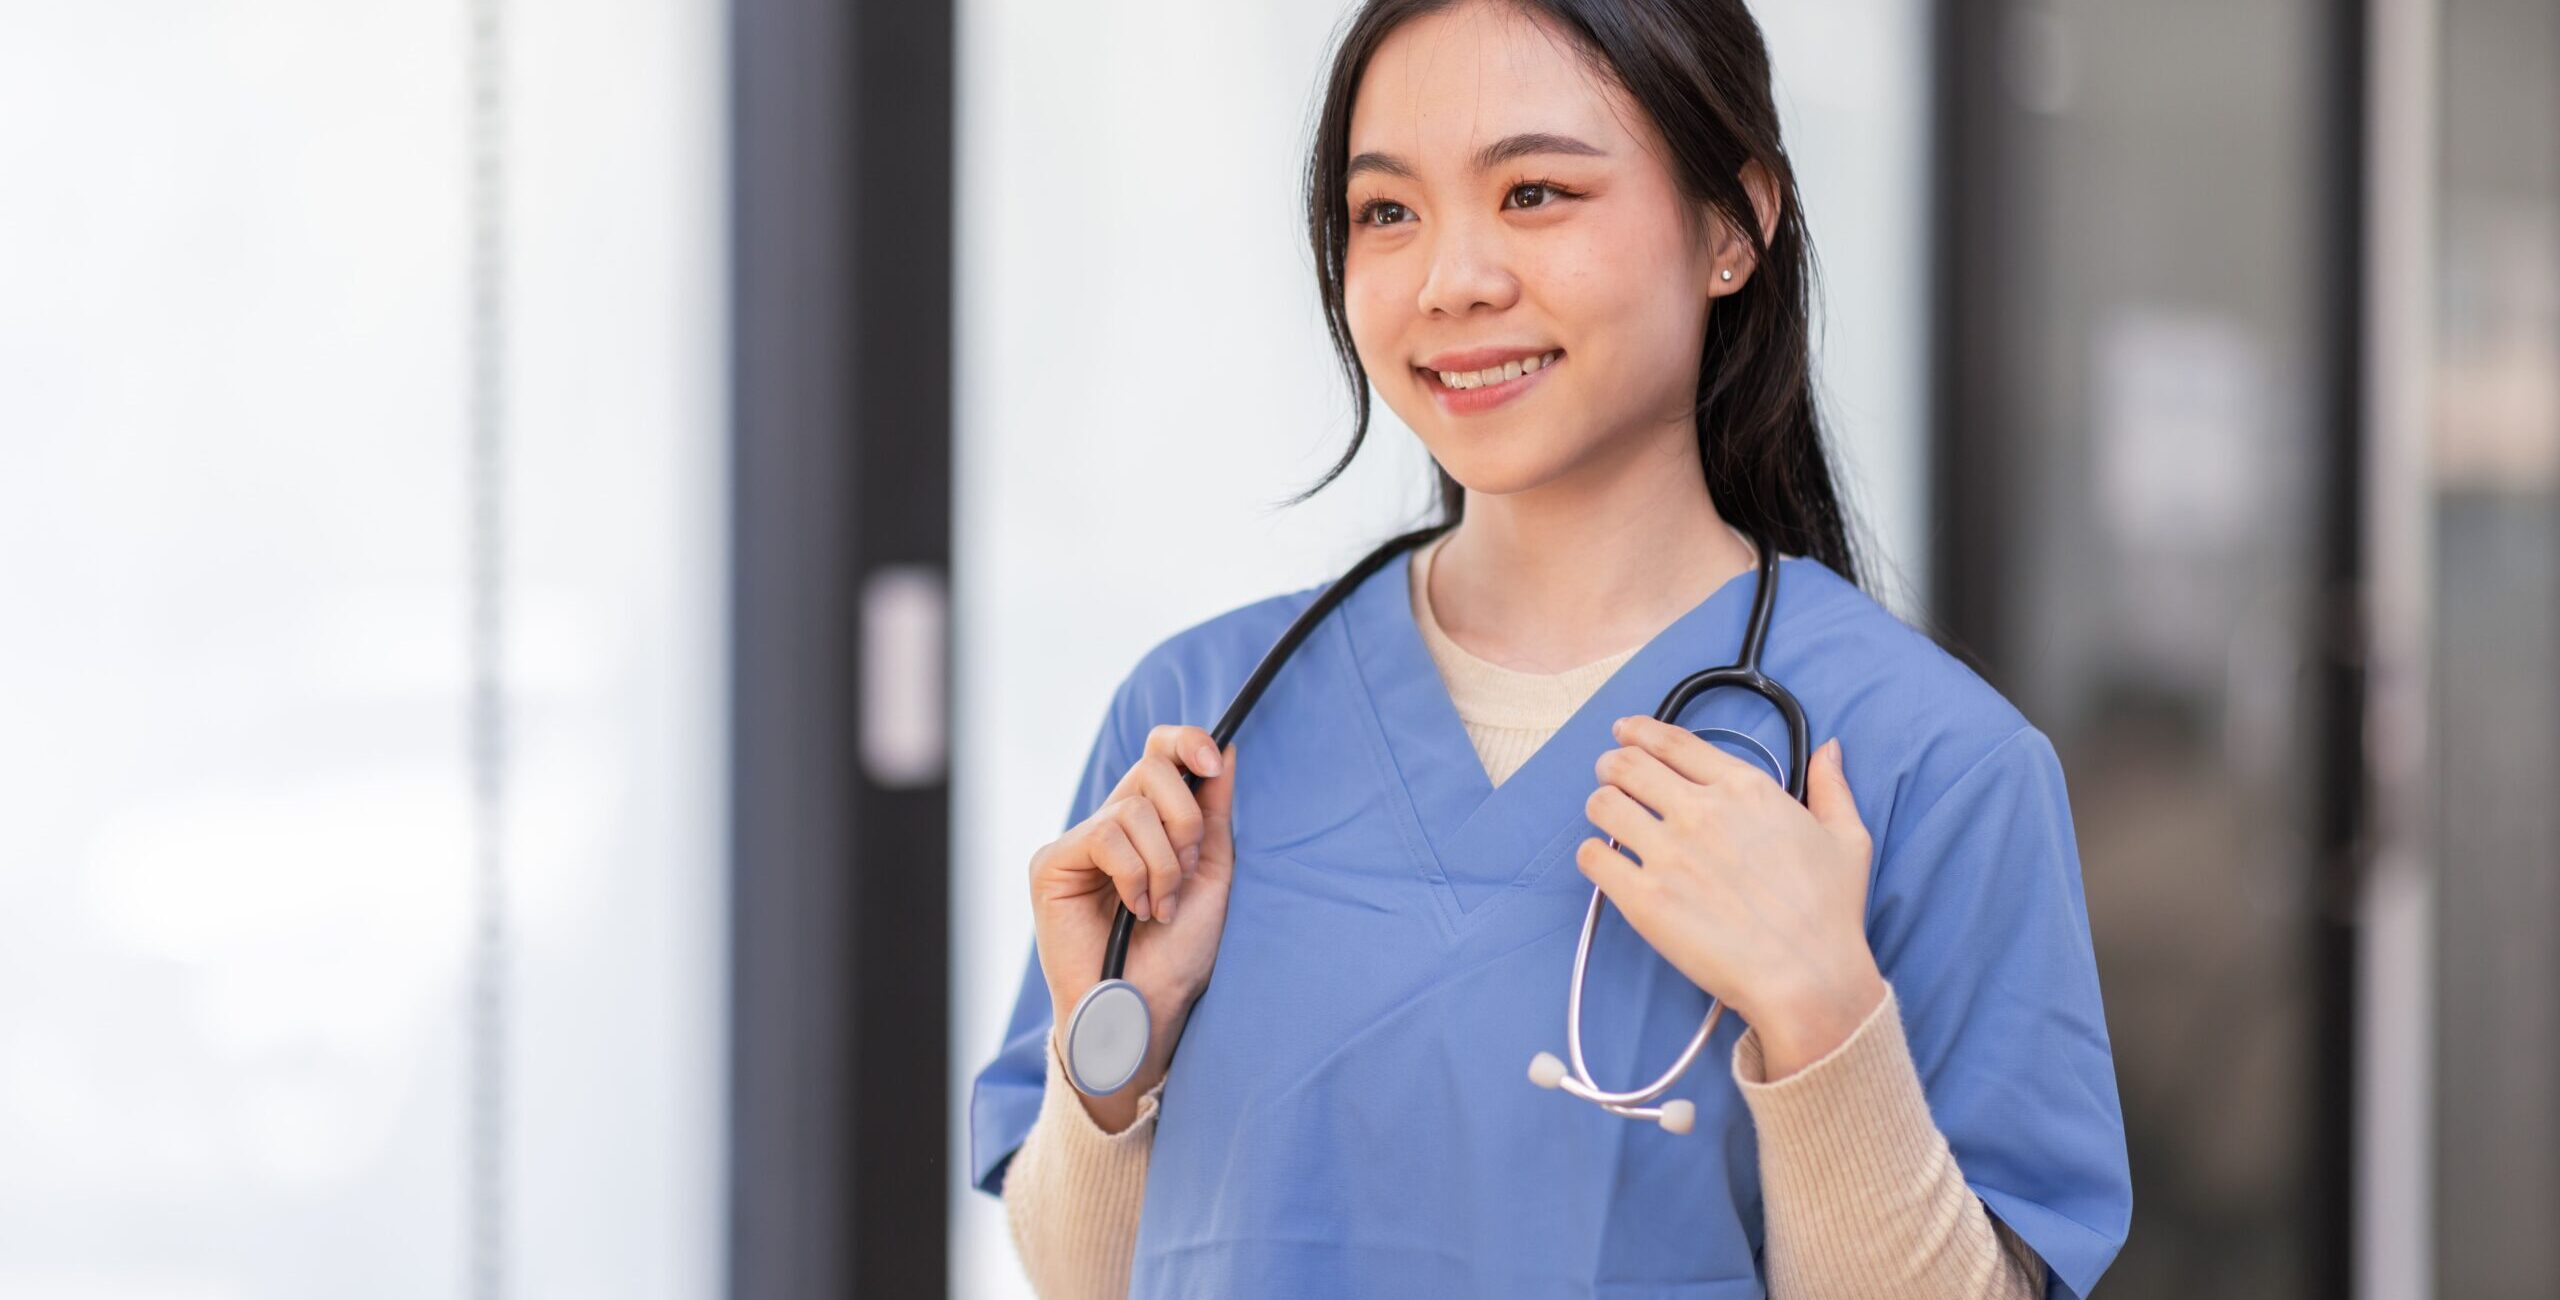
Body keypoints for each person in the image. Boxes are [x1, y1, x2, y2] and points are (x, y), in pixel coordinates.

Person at [967, 1, 2134, 1296]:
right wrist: (1115, 1049)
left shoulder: (1927, 766)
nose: (1451, 279)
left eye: (1533, 193)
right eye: (1387, 213)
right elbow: (1095, 1278)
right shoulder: (1201, 723)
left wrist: (1822, 1017)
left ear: (1735, 225)